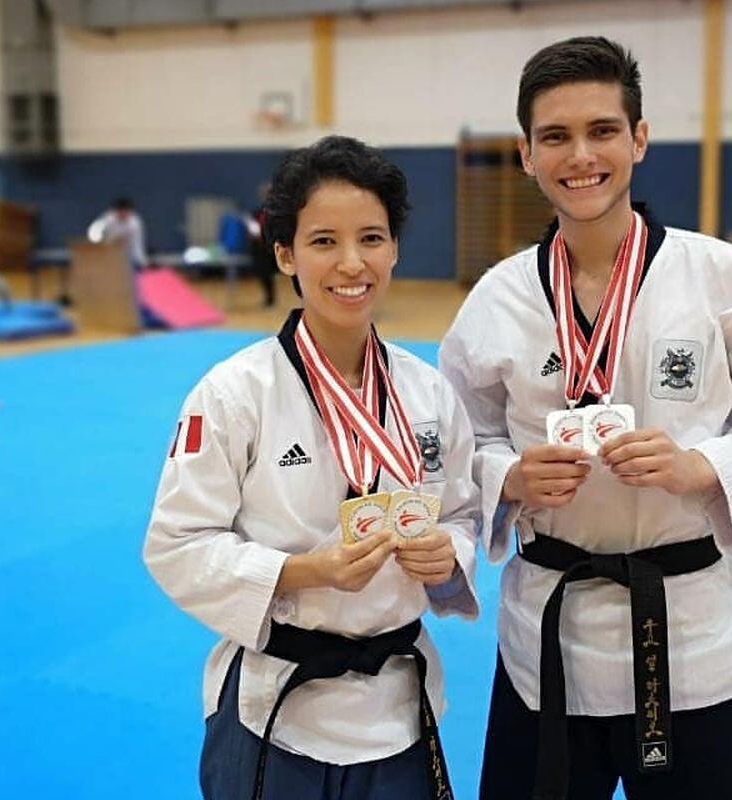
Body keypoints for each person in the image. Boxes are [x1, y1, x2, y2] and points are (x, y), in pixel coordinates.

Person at [438, 37, 732, 800]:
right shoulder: (499, 298)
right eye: (555, 137)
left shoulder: (718, 277)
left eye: (603, 130)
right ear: (526, 154)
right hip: (546, 645)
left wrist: (701, 466)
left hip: (690, 638)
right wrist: (507, 474)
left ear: (639, 140)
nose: (581, 156)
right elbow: (452, 444)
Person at [145, 135, 479, 800]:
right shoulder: (233, 393)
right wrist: (302, 572)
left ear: (395, 249)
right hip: (276, 707)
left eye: (372, 238)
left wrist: (448, 558)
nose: (352, 263)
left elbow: (463, 512)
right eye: (324, 241)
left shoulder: (429, 392)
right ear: (284, 254)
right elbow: (175, 546)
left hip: (398, 709)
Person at [88, 196, 148, 269]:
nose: (123, 214)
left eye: (126, 212)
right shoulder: (108, 219)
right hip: (108, 252)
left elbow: (137, 244)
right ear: (116, 211)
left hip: (127, 255)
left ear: (130, 212)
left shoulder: (135, 224)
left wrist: (141, 262)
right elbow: (94, 234)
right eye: (121, 211)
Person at [246, 182, 278, 307]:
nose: (266, 196)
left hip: (272, 246)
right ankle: (269, 297)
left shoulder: (278, 212)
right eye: (264, 194)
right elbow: (252, 227)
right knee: (263, 274)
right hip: (260, 247)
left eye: (269, 193)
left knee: (270, 272)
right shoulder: (256, 212)